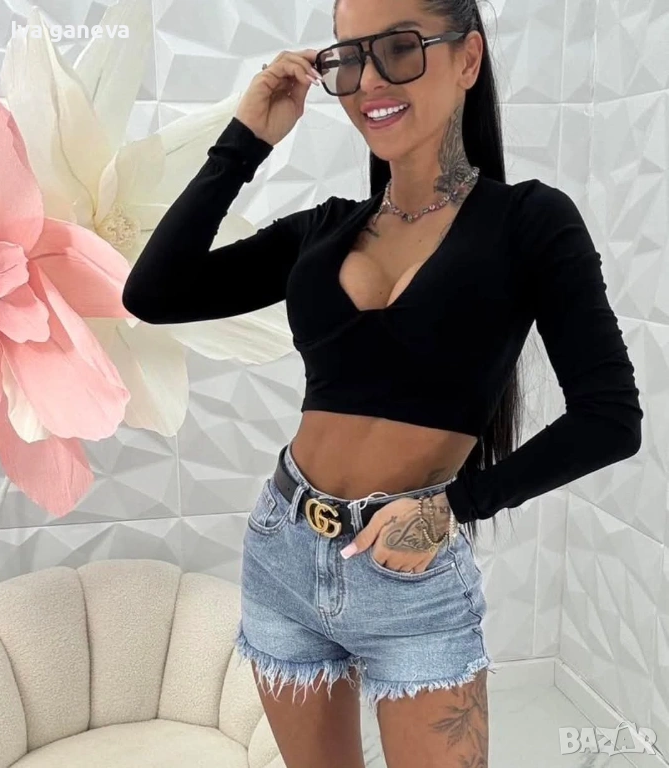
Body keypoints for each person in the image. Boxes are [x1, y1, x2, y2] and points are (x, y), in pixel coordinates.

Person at [121, 0, 643, 765]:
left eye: (399, 47)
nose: (369, 79)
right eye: (349, 57)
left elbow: (609, 417)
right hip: (282, 548)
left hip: (412, 576)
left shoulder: (531, 221)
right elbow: (153, 294)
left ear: (467, 60)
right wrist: (246, 140)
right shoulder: (324, 228)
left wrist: (451, 508)